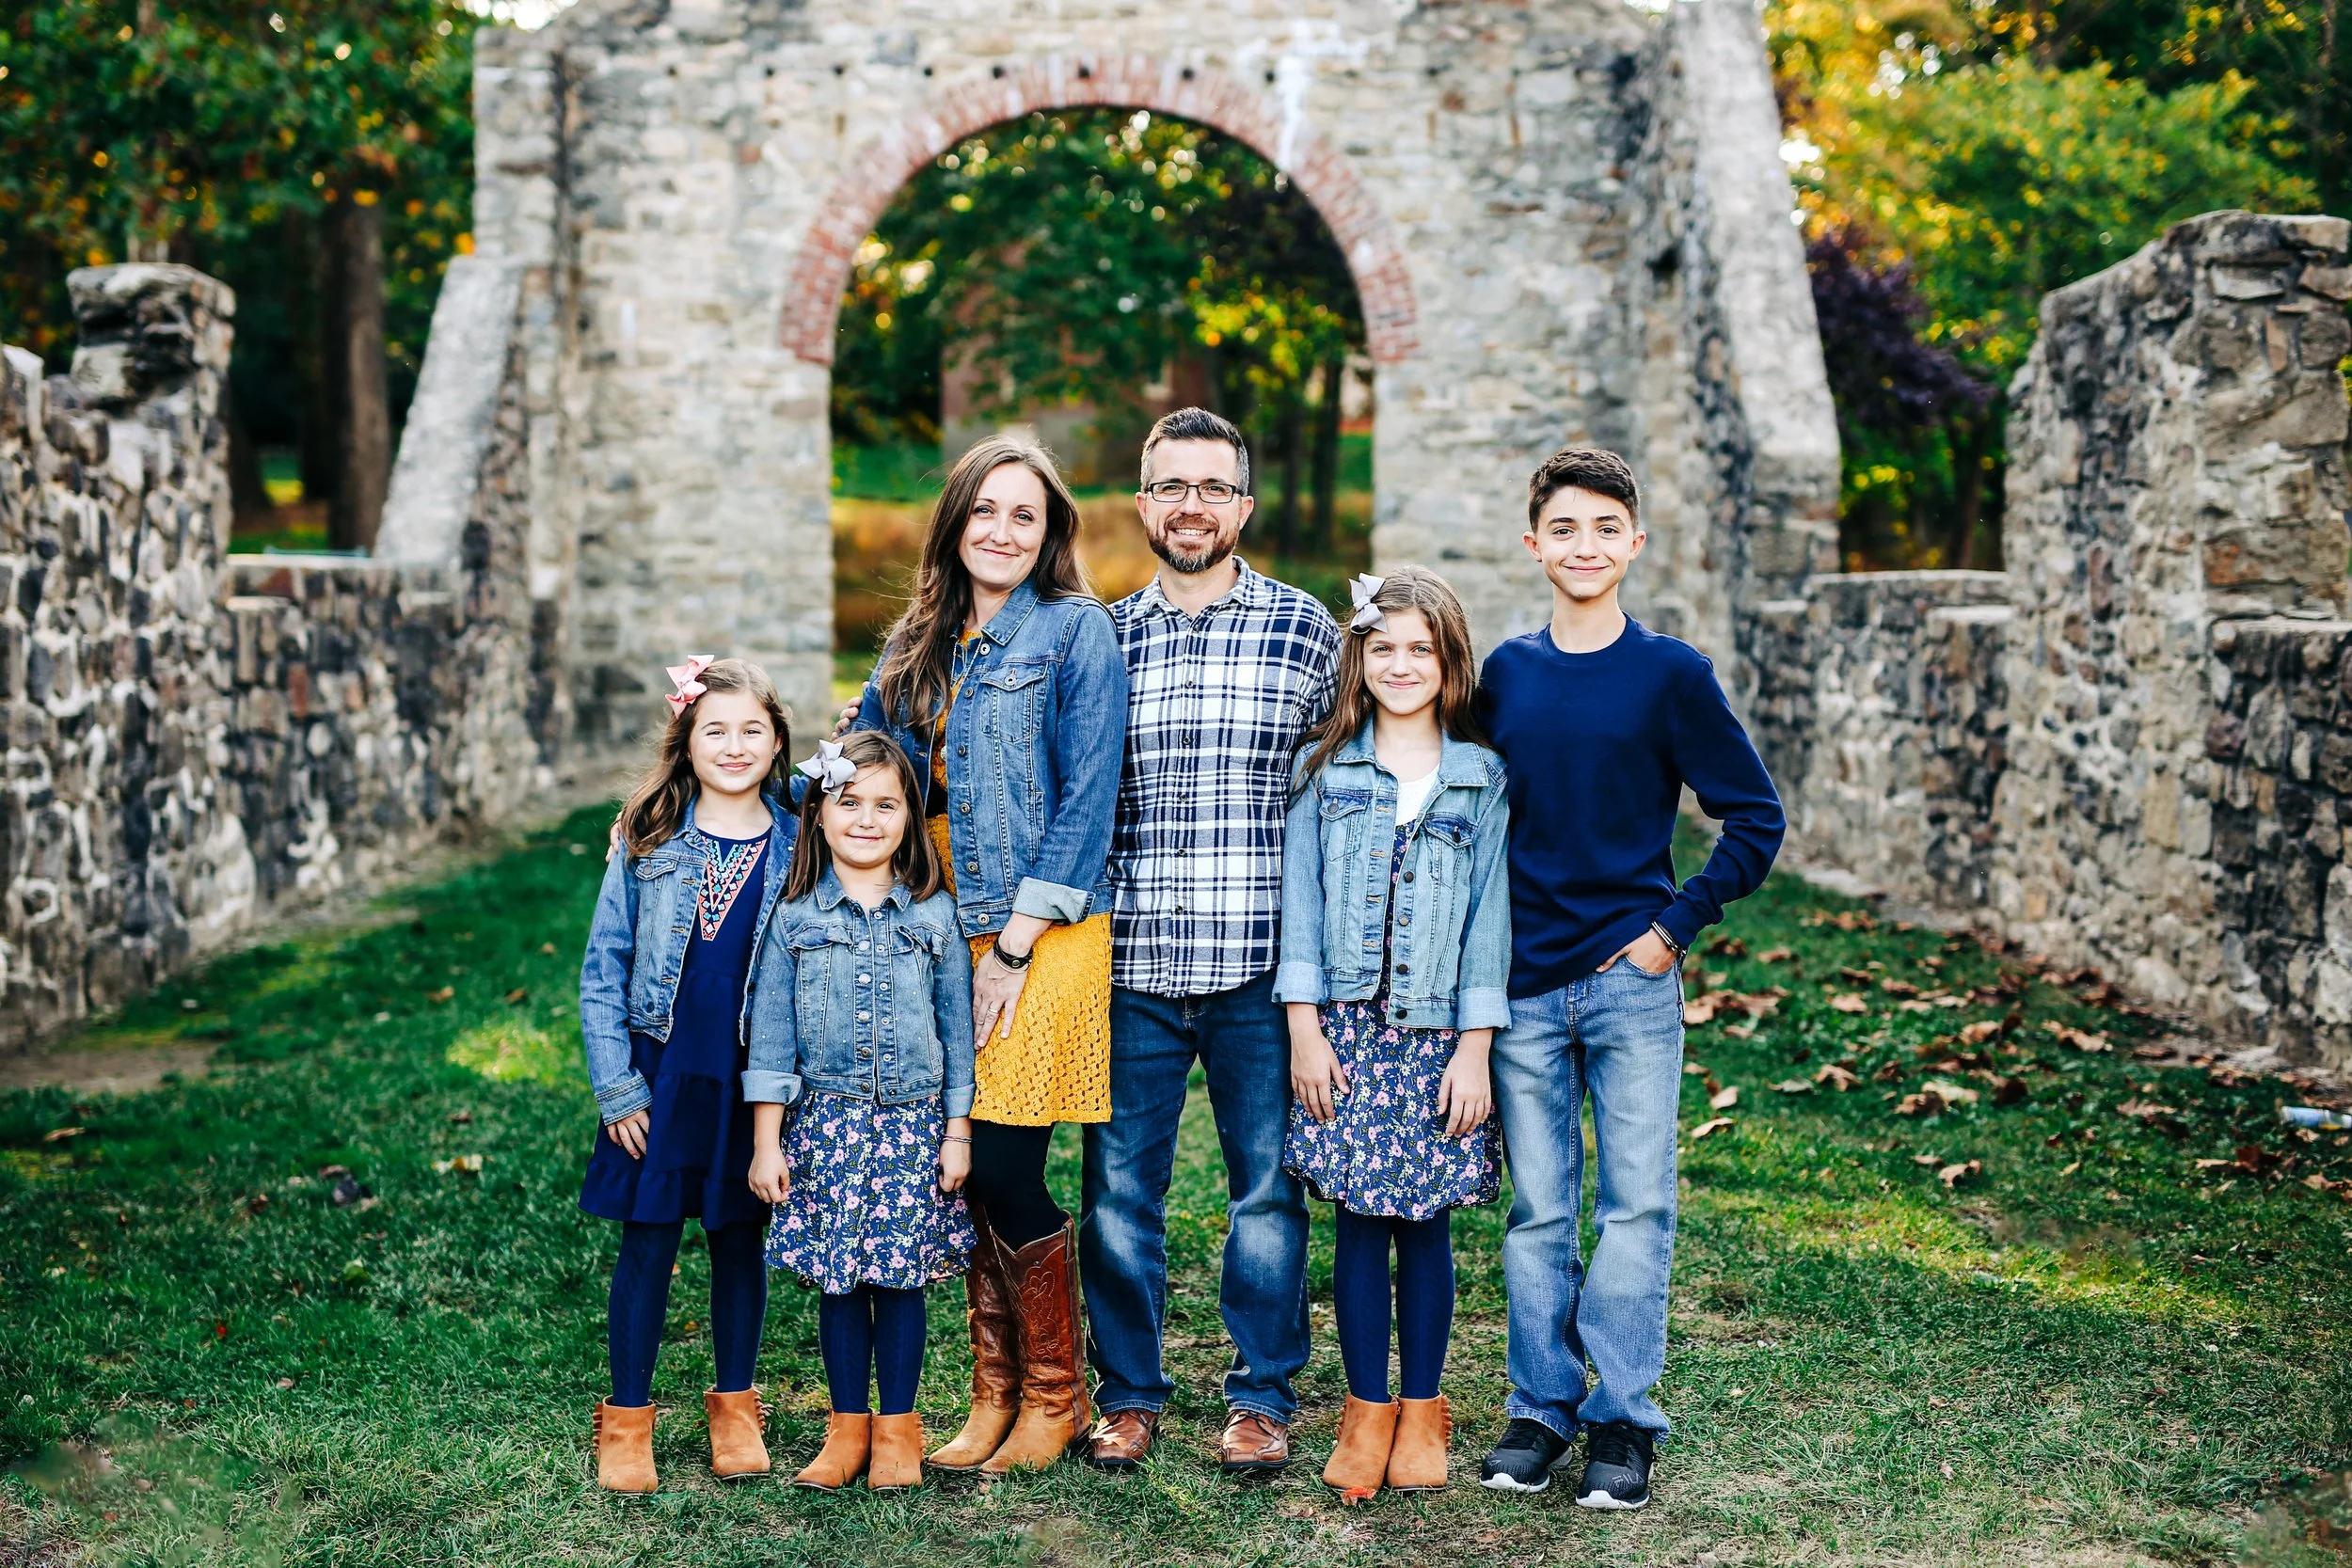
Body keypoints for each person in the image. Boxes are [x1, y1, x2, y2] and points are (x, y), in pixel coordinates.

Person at [1472, 448, 1785, 1508]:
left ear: (1633, 543)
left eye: (1605, 526)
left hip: (1630, 981)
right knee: (1539, 1211)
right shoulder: (1503, 674)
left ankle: (1622, 1418)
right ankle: (1541, 1407)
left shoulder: (1670, 674)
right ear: (1534, 544)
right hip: (1519, 984)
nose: (1584, 546)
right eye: (1563, 527)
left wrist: (1674, 926)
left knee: (1637, 1204)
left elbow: (1756, 815)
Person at [842, 436, 1126, 1476]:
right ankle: (994, 1389)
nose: (1003, 531)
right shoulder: (915, 644)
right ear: (954, 521)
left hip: (1042, 932)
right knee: (958, 1168)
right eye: (985, 511)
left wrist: (1010, 944)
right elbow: (861, 778)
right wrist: (698, 794)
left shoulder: (1075, 632)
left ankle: (1059, 1393)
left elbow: (1088, 803)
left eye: (1025, 514)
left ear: (1049, 532)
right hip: (937, 930)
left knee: (1005, 1158)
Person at [1081, 407, 1342, 1474]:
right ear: (1142, 504)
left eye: (1213, 487)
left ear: (1243, 504)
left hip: (1257, 963)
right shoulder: (1096, 636)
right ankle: (1129, 1392)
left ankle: (1261, 1395)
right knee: (1116, 1194)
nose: (1191, 505)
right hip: (1129, 960)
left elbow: (1337, 803)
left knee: (1266, 1190)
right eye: (1170, 486)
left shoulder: (1309, 631)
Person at [1276, 567, 1511, 1504]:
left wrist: (1475, 1047)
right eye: (1385, 648)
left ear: (1449, 661)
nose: (1403, 664)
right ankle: (1365, 1407)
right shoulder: (1322, 771)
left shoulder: (1480, 778)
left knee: (1426, 1226)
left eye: (1422, 648)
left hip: (1436, 1036)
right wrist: (1303, 1030)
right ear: (1358, 659)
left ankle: (1422, 1405)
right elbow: (1299, 901)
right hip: (1343, 1031)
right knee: (1359, 1221)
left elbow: (1491, 917)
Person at [578, 656, 798, 1494]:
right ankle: (627, 1419)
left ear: (777, 743)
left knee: (741, 1242)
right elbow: (605, 968)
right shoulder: (648, 837)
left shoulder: (797, 839)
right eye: (716, 730)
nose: (734, 746)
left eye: (752, 730)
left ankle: (736, 1407)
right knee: (649, 1242)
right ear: (687, 739)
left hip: (749, 1082)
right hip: (659, 1076)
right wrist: (618, 1086)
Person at [743, 732, 977, 1493]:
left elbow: (956, 1032)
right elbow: (772, 1038)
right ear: (818, 814)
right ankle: (846, 1428)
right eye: (850, 803)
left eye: (887, 804)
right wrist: (767, 1144)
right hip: (828, 1129)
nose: (868, 819)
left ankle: (899, 1432)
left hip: (913, 1129)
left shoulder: (934, 918)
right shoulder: (795, 920)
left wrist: (957, 1129)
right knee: (841, 1281)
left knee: (899, 1281)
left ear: (910, 816)